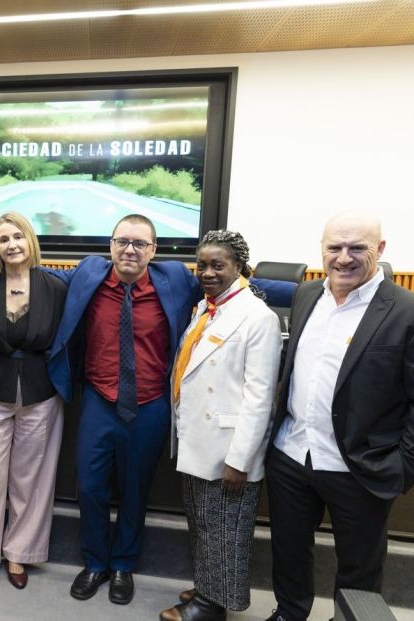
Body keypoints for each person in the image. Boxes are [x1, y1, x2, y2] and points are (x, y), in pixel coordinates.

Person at [46, 213, 295, 605]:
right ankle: (95, 562)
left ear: (154, 250)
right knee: (90, 487)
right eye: (122, 242)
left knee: (135, 489)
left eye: (139, 243)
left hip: (150, 405)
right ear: (110, 245)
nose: (130, 250)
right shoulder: (89, 273)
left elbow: (238, 279)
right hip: (98, 400)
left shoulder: (176, 278)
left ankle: (123, 564)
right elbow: (42, 276)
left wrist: (312, 290)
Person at [264, 212, 414, 621]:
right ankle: (289, 613)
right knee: (288, 550)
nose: (343, 257)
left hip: (360, 466)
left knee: (359, 568)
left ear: (380, 249)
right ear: (322, 248)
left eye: (358, 248)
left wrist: (405, 468)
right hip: (292, 455)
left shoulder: (412, 312)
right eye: (334, 247)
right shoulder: (307, 294)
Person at [159, 231, 282, 621]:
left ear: (239, 267)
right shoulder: (206, 308)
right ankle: (206, 586)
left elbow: (260, 397)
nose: (207, 273)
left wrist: (240, 460)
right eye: (202, 266)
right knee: (203, 523)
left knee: (225, 530)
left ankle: (211, 607)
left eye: (218, 265)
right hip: (198, 436)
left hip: (228, 445)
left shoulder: (258, 317)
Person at [0, 212, 67, 602]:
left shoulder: (55, 287)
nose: (12, 244)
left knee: (29, 481)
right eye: (3, 239)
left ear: (30, 240)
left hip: (40, 396)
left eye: (18, 236)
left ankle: (19, 553)